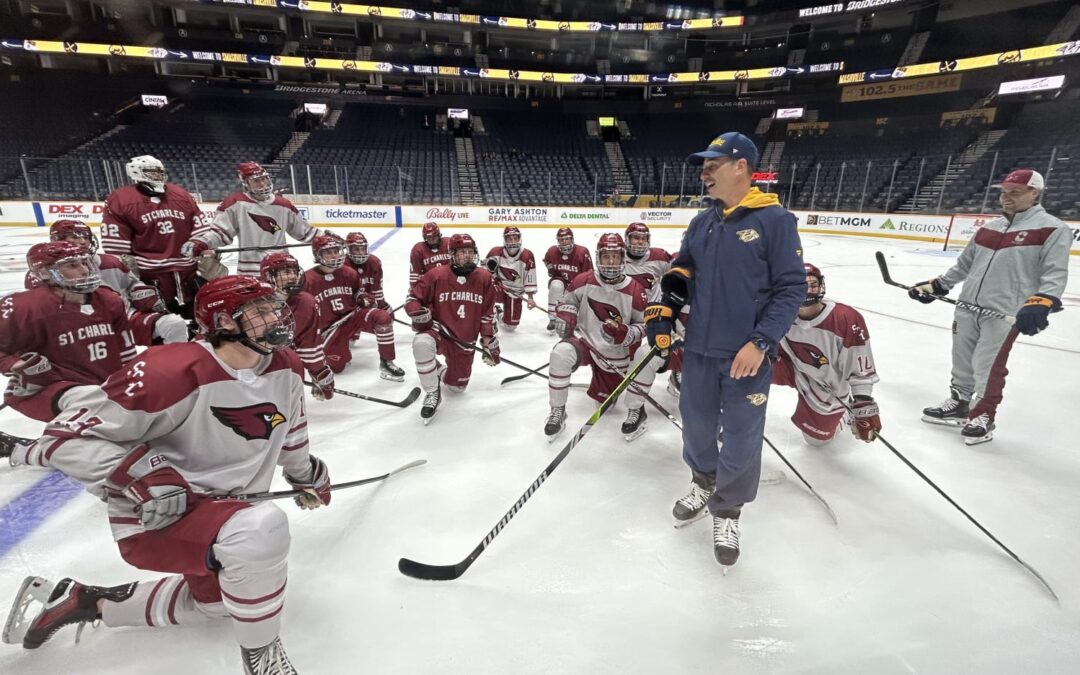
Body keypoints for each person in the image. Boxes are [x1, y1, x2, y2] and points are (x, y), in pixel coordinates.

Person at [2, 275, 327, 674]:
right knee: (262, 531)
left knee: (221, 605)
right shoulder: (168, 370)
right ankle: (262, 657)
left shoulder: (286, 366)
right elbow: (64, 438)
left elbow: (290, 427)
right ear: (224, 322)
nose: (277, 317)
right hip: (160, 514)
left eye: (274, 307)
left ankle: (82, 600)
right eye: (260, 312)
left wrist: (305, 474)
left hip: (229, 512)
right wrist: (140, 472)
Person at [643, 131, 805, 569]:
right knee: (695, 427)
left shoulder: (775, 220)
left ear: (742, 167)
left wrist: (762, 341)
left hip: (746, 355)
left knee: (740, 436)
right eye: (704, 164)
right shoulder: (703, 220)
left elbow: (792, 288)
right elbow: (683, 267)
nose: (705, 172)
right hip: (698, 348)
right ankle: (702, 480)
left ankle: (728, 510)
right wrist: (667, 304)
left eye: (714, 164)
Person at [910, 169, 1071, 445]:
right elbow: (964, 265)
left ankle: (983, 414)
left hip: (1004, 312)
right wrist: (939, 285)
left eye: (1015, 192)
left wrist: (1042, 301)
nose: (1006, 197)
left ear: (1035, 193)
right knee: (962, 360)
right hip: (967, 306)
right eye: (1003, 192)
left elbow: (1054, 273)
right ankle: (960, 403)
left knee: (988, 365)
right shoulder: (989, 227)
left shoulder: (1053, 229)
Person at [1, 242, 136, 423]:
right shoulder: (24, 308)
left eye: (84, 263)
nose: (84, 270)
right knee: (91, 405)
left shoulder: (110, 301)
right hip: (48, 389)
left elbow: (125, 353)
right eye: (72, 265)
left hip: (102, 385)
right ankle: (25, 452)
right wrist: (16, 364)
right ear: (44, 273)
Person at [545, 233, 660, 442]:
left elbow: (645, 326)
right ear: (598, 257)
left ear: (622, 258)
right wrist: (567, 314)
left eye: (615, 257)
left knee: (605, 405)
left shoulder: (635, 289)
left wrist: (626, 335)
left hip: (615, 354)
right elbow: (567, 301)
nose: (610, 262)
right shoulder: (584, 279)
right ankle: (557, 410)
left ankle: (611, 389)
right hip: (586, 343)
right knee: (560, 353)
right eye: (606, 256)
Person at [772, 263, 881, 446]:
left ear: (821, 285)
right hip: (790, 365)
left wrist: (863, 402)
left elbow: (859, 365)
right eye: (800, 284)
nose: (808, 290)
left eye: (813, 285)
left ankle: (844, 413)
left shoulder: (845, 318)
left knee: (816, 440)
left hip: (825, 383)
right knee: (746, 371)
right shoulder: (781, 311)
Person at [35, 219, 188, 346]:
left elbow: (131, 284)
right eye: (74, 237)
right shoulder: (45, 271)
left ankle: (176, 366)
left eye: (86, 237)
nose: (82, 241)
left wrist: (141, 292)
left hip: (126, 319)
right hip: (80, 329)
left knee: (174, 324)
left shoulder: (110, 262)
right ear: (57, 240)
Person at [405, 233, 499, 423]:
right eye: (462, 252)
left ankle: (437, 369)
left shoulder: (484, 278)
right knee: (422, 342)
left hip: (464, 340)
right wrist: (416, 311)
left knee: (457, 388)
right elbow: (412, 298)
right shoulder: (436, 275)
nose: (467, 256)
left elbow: (487, 313)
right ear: (452, 254)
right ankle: (432, 393)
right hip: (439, 331)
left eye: (470, 251)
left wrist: (488, 341)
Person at [100, 155, 207, 318]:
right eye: (151, 172)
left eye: (160, 172)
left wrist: (202, 247)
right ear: (136, 172)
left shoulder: (181, 194)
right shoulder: (121, 199)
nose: (158, 176)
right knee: (158, 317)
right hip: (150, 272)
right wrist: (127, 266)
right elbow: (116, 245)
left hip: (187, 268)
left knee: (198, 312)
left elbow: (200, 226)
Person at [184, 162, 321, 276]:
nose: (262, 184)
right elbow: (220, 233)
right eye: (256, 181)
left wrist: (325, 237)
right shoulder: (235, 203)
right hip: (250, 272)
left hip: (281, 268)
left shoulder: (283, 204)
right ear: (245, 183)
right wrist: (203, 242)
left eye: (264, 179)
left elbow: (305, 233)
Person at [302, 234, 404, 381]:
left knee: (383, 317)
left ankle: (387, 363)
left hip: (352, 318)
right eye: (328, 252)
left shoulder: (349, 273)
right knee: (338, 368)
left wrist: (363, 299)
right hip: (330, 329)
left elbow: (358, 294)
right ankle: (338, 348)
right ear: (318, 255)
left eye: (336, 251)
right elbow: (303, 312)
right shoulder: (307, 280)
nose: (334, 255)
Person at [260, 252, 335, 401]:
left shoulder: (305, 302)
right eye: (286, 272)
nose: (292, 276)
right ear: (269, 276)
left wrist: (320, 373)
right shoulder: (252, 299)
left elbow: (308, 344)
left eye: (294, 271)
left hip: (279, 362)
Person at [623, 221, 682, 396]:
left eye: (643, 238)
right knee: (629, 356)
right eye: (635, 238)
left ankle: (677, 372)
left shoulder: (660, 256)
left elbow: (679, 277)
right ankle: (617, 374)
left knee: (675, 341)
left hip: (655, 314)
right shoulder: (617, 257)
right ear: (627, 239)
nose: (640, 242)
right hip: (629, 314)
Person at [485, 226, 538, 331]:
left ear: (520, 238)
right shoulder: (495, 252)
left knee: (511, 327)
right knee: (488, 288)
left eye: (515, 238)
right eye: (510, 238)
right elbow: (484, 272)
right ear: (505, 240)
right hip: (499, 286)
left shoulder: (527, 255)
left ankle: (499, 313)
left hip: (515, 291)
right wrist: (491, 274)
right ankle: (491, 315)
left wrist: (530, 297)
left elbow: (530, 276)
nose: (513, 241)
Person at [542, 227, 593, 332]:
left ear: (572, 239)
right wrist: (551, 270)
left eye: (567, 239)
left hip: (578, 285)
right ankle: (553, 318)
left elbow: (589, 274)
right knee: (555, 285)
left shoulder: (582, 252)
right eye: (561, 239)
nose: (564, 242)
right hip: (562, 281)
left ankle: (580, 317)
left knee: (585, 293)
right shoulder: (552, 251)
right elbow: (547, 260)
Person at [408, 221, 451, 288]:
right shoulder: (418, 250)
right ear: (424, 238)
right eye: (428, 238)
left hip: (450, 283)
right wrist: (415, 291)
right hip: (430, 286)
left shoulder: (449, 244)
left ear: (439, 235)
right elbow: (415, 275)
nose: (431, 240)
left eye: (434, 237)